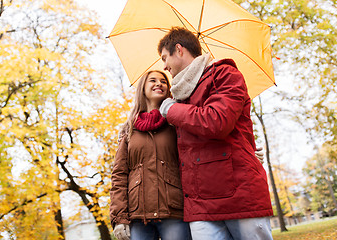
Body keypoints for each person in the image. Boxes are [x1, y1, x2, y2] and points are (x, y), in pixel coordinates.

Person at [158, 27, 273, 240]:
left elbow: (217, 121)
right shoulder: (179, 97)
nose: (164, 66)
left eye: (165, 58)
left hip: (239, 193)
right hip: (199, 202)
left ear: (179, 49)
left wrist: (172, 110)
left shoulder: (225, 75)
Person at [109, 70, 192, 240]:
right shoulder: (129, 130)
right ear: (142, 89)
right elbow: (119, 175)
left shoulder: (175, 124)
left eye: (163, 81)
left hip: (173, 211)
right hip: (138, 215)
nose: (159, 83)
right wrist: (119, 218)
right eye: (152, 80)